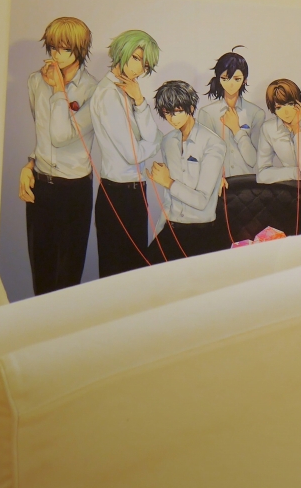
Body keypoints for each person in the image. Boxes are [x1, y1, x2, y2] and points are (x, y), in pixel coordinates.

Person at [18, 16, 99, 295]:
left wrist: (58, 91)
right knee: (41, 275)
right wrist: (29, 164)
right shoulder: (35, 81)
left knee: (67, 280)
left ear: (80, 50)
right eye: (53, 47)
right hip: (41, 186)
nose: (57, 54)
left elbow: (61, 136)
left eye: (65, 49)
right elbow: (42, 132)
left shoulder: (93, 90)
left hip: (74, 189)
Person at [89, 29, 163, 276]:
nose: (139, 68)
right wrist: (154, 143)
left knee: (134, 273)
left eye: (145, 64)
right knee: (118, 274)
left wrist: (140, 101)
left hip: (133, 191)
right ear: (121, 52)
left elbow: (150, 137)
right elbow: (134, 153)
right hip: (119, 194)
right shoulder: (109, 95)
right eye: (136, 58)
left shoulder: (128, 91)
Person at [148, 80, 228, 257]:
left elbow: (202, 201)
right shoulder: (167, 141)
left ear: (191, 108)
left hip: (201, 232)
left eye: (177, 111)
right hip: (171, 228)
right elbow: (168, 200)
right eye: (167, 112)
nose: (172, 118)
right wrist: (158, 233)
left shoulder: (213, 144)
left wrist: (168, 182)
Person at [197, 48, 267, 241]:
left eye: (237, 78)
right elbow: (204, 155)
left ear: (245, 80)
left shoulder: (256, 113)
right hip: (218, 190)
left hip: (248, 189)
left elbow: (254, 160)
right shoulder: (207, 114)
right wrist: (215, 177)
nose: (231, 84)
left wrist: (237, 130)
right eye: (225, 78)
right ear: (218, 78)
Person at [256, 78, 301, 235]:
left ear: (298, 103)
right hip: (287, 195)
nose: (286, 111)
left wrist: (297, 130)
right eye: (278, 107)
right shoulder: (269, 128)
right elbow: (262, 175)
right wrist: (297, 172)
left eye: (290, 104)